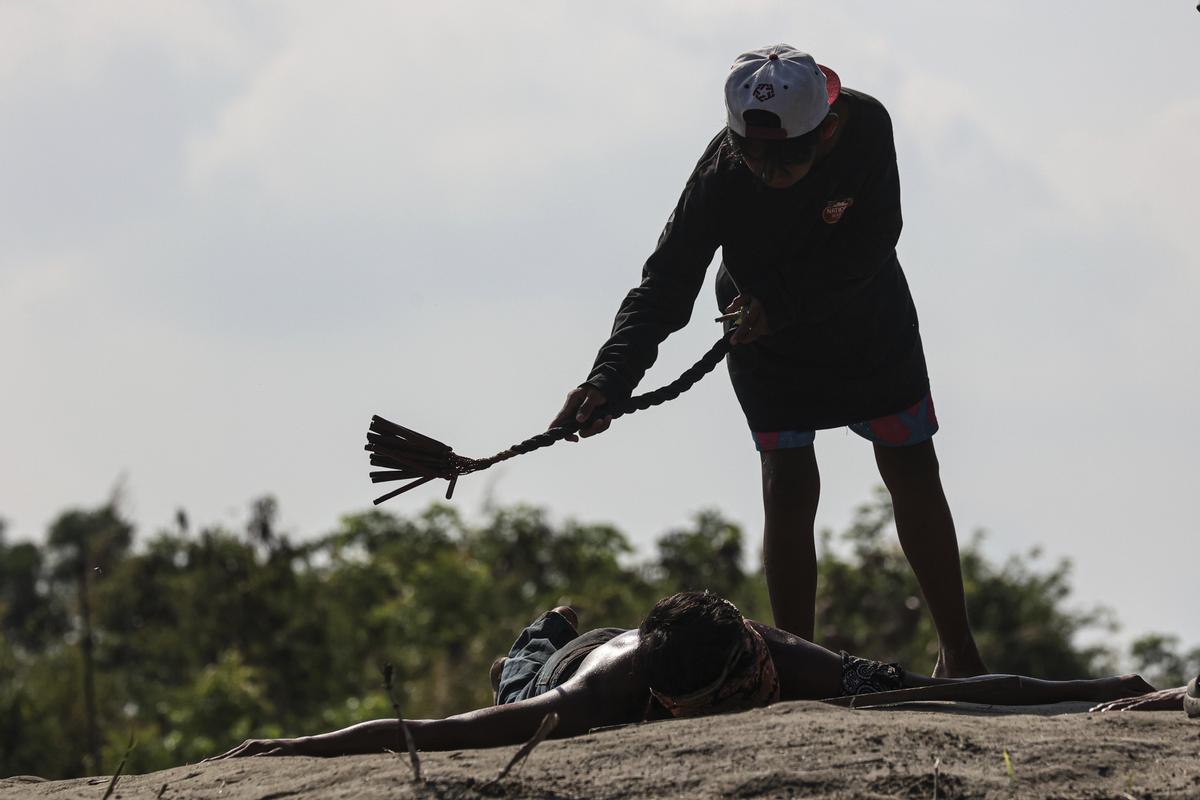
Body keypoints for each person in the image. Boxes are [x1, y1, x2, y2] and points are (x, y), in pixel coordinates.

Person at [549, 44, 985, 676]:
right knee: (786, 481)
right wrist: (609, 379)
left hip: (867, 319)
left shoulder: (867, 128)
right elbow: (667, 282)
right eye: (753, 156)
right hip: (761, 336)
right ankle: (795, 664)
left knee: (912, 464)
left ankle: (960, 652)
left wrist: (779, 304)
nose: (767, 173)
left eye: (786, 159)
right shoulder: (724, 171)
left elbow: (872, 242)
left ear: (827, 131)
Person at [209, 592, 1156, 758]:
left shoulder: (790, 662)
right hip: (577, 661)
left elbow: (955, 695)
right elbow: (440, 734)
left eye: (749, 682)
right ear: (671, 703)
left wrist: (1111, 693)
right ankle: (536, 634)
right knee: (519, 683)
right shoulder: (600, 699)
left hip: (661, 640)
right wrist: (294, 745)